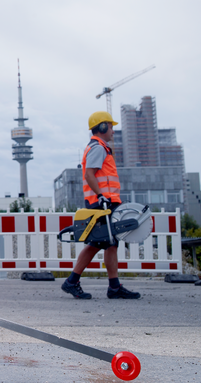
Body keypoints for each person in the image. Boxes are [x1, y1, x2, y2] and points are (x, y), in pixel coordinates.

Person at [61, 111, 141, 300]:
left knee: (110, 244)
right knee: (98, 243)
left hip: (105, 202)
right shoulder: (98, 148)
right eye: (111, 126)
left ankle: (113, 287)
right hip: (102, 203)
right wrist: (101, 196)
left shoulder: (100, 147)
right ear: (103, 127)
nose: (113, 131)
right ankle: (72, 282)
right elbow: (89, 174)